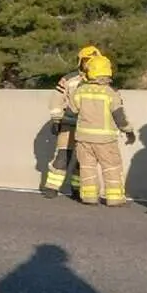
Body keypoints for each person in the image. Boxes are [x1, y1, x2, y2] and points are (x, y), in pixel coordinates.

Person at [67, 55, 136, 206]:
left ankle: (89, 197)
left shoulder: (80, 91)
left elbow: (71, 111)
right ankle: (114, 198)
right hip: (106, 140)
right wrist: (129, 131)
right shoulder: (110, 93)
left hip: (84, 139)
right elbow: (119, 117)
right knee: (112, 167)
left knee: (87, 168)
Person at [42, 45, 102, 199]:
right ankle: (52, 187)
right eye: (86, 60)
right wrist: (57, 120)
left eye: (93, 60)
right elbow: (56, 100)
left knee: (85, 159)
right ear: (80, 61)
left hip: (89, 126)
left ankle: (77, 188)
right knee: (63, 155)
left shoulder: (102, 82)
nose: (89, 64)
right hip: (69, 124)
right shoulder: (69, 79)